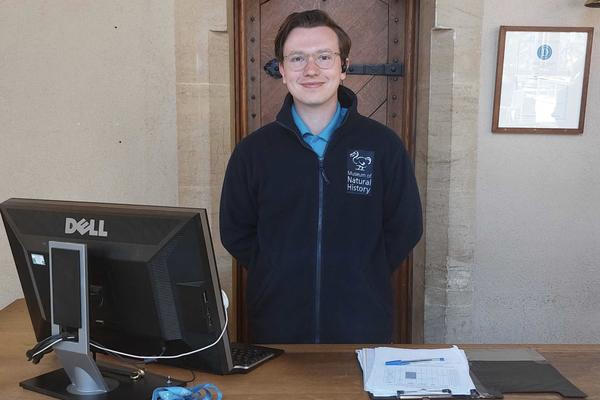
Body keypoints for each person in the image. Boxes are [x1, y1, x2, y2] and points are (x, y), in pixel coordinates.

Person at [220, 9, 422, 344]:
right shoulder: (253, 152)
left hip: (362, 324)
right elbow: (236, 231)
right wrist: (277, 271)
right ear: (282, 71)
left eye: (324, 57)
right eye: (297, 58)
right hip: (276, 326)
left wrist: (362, 272)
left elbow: (405, 225)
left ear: (343, 67)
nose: (311, 69)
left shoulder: (383, 145)